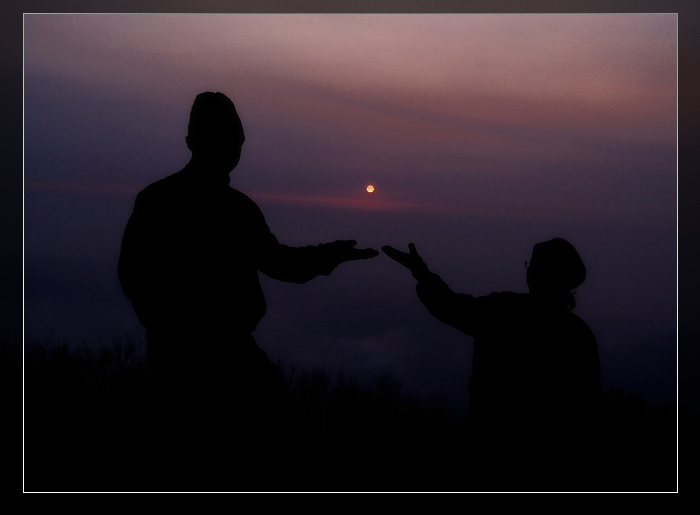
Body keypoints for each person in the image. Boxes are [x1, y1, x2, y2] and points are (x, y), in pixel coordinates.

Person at [117, 92, 377, 485]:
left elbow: (276, 261)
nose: (230, 148)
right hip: (194, 353)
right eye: (222, 138)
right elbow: (134, 274)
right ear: (195, 142)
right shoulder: (197, 205)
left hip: (209, 350)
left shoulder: (202, 204)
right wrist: (171, 324)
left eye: (233, 139)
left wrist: (329, 254)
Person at [382, 239, 601, 487]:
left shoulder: (505, 311)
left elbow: (450, 307)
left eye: (532, 264)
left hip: (485, 453)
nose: (528, 269)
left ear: (542, 273)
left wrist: (419, 271)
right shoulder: (578, 335)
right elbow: (588, 409)